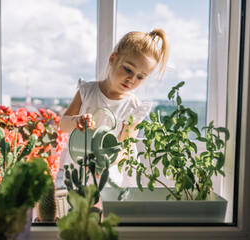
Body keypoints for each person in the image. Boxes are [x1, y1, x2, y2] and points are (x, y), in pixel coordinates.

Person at [60, 29, 169, 187]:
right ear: (113, 58)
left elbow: (126, 148)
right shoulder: (87, 91)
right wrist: (76, 121)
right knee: (77, 209)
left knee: (104, 211)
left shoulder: (133, 107)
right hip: (78, 174)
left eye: (140, 77)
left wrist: (102, 161)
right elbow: (63, 124)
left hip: (107, 178)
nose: (131, 79)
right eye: (128, 69)